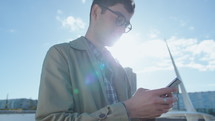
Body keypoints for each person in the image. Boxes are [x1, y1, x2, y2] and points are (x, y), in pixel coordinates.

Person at [35, 0, 177, 121]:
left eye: (126, 24)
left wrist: (146, 111)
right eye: (119, 19)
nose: (122, 30)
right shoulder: (61, 54)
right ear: (96, 12)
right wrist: (128, 110)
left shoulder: (119, 70)